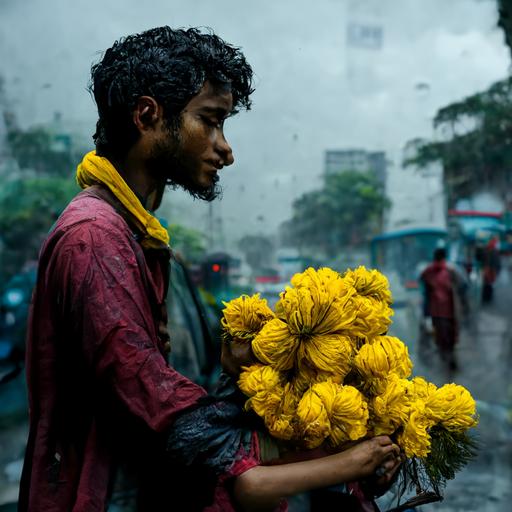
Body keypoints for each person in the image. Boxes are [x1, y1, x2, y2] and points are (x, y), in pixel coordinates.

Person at [19, 27, 401, 511]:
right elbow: (159, 406)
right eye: (211, 120)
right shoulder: (94, 238)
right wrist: (333, 449)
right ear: (147, 116)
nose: (226, 149)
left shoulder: (136, 235)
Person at [420, 247, 466, 372]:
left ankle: (448, 359)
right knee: (446, 338)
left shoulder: (441, 271)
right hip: (444, 312)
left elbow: (461, 286)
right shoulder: (446, 270)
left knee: (446, 338)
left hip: (443, 312)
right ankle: (448, 360)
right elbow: (463, 285)